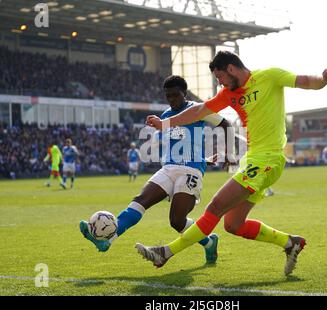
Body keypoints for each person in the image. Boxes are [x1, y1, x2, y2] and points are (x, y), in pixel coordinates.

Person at [137, 51, 327, 276]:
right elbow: (199, 111)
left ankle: (165, 252)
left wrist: (324, 79)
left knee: (215, 207)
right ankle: (291, 243)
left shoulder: (269, 76)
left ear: (230, 69)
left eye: (219, 77)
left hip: (268, 159)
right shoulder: (229, 93)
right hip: (252, 160)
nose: (219, 82)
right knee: (233, 225)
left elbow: (307, 82)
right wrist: (165, 124)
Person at [79, 75, 234, 264]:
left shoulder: (198, 109)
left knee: (177, 221)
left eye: (175, 95)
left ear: (184, 93)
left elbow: (226, 124)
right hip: (169, 168)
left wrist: (228, 154)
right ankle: (107, 240)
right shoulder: (166, 115)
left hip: (190, 171)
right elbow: (181, 142)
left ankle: (209, 243)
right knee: (140, 201)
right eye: (168, 96)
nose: (172, 99)